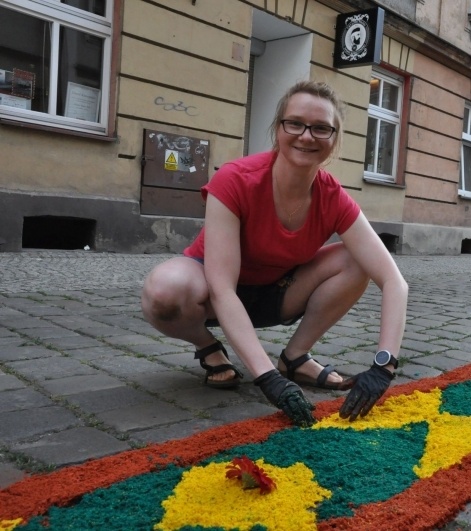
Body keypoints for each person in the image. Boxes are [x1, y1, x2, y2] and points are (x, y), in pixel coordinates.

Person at [141, 81, 408, 427]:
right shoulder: (236, 179)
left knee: (359, 260)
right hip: (209, 292)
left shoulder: (333, 196)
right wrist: (266, 378)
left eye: (321, 128)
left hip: (276, 291)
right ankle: (207, 346)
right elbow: (222, 288)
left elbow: (393, 280)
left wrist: (384, 365)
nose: (307, 136)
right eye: (294, 123)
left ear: (335, 139)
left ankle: (295, 358)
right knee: (164, 290)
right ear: (278, 128)